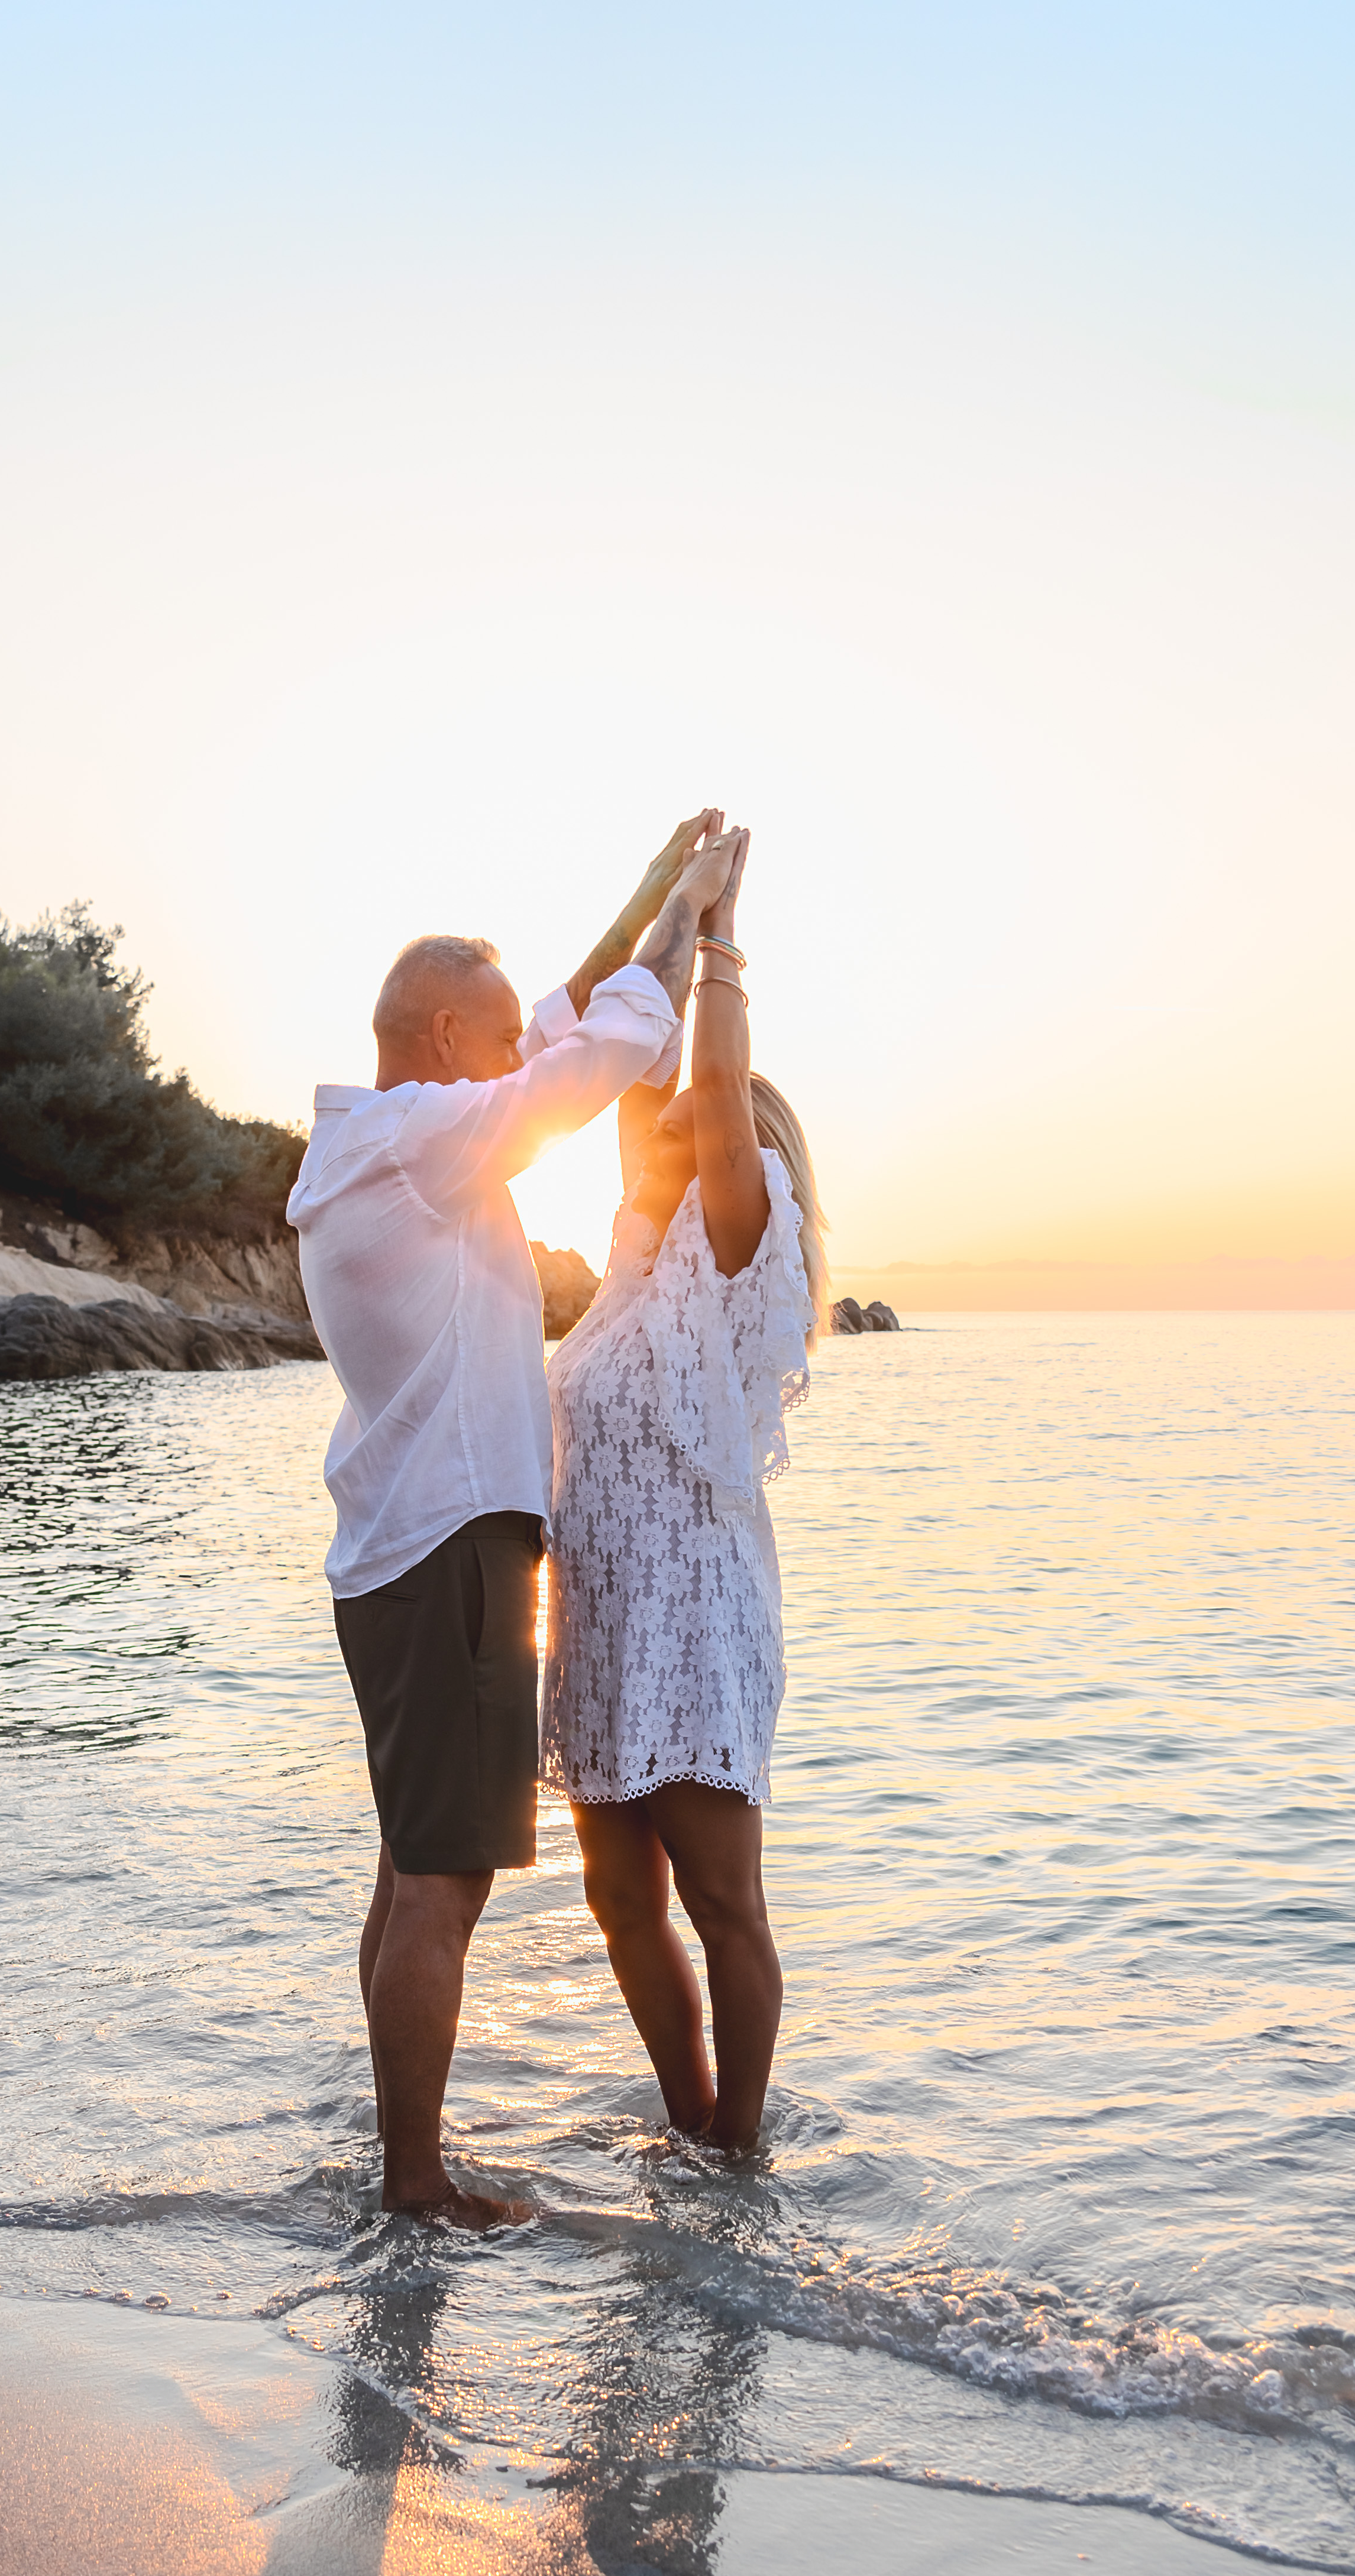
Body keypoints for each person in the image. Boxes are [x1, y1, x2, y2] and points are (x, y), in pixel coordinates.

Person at [290, 813, 749, 2222]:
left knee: (405, 1871)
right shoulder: (422, 1139)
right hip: (452, 1553)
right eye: (489, 1043)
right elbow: (592, 1057)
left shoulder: (375, 1138)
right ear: (437, 1036)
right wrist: (706, 929)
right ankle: (415, 2186)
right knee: (441, 1885)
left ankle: (399, 2163)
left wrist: (652, 906)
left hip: (400, 1551)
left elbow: (554, 1020)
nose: (513, 1064)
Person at [541, 827, 825, 2151]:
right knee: (615, 1896)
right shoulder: (627, 1268)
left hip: (697, 1625)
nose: (660, 1121)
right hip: (602, 1622)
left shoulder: (732, 1250)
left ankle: (742, 2148)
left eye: (691, 1120)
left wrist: (723, 930)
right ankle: (689, 2122)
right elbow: (625, 1049)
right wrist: (664, 895)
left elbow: (709, 1078)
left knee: (722, 1903)